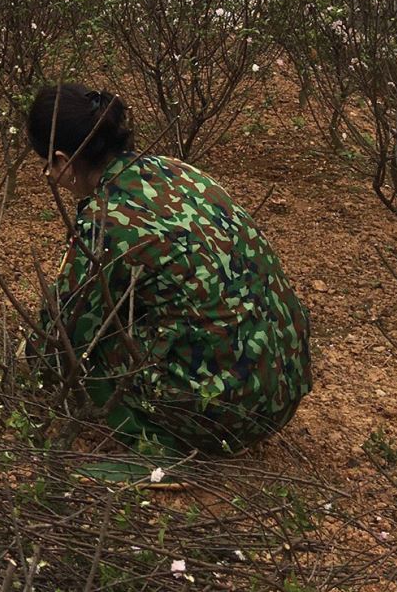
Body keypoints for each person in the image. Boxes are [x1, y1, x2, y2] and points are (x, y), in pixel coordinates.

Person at [27, 84, 311, 458]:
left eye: (48, 164)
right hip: (284, 386)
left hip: (223, 418)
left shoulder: (106, 222)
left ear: (63, 160)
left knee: (96, 340)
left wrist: (29, 363)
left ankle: (161, 448)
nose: (50, 175)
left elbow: (63, 336)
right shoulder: (174, 170)